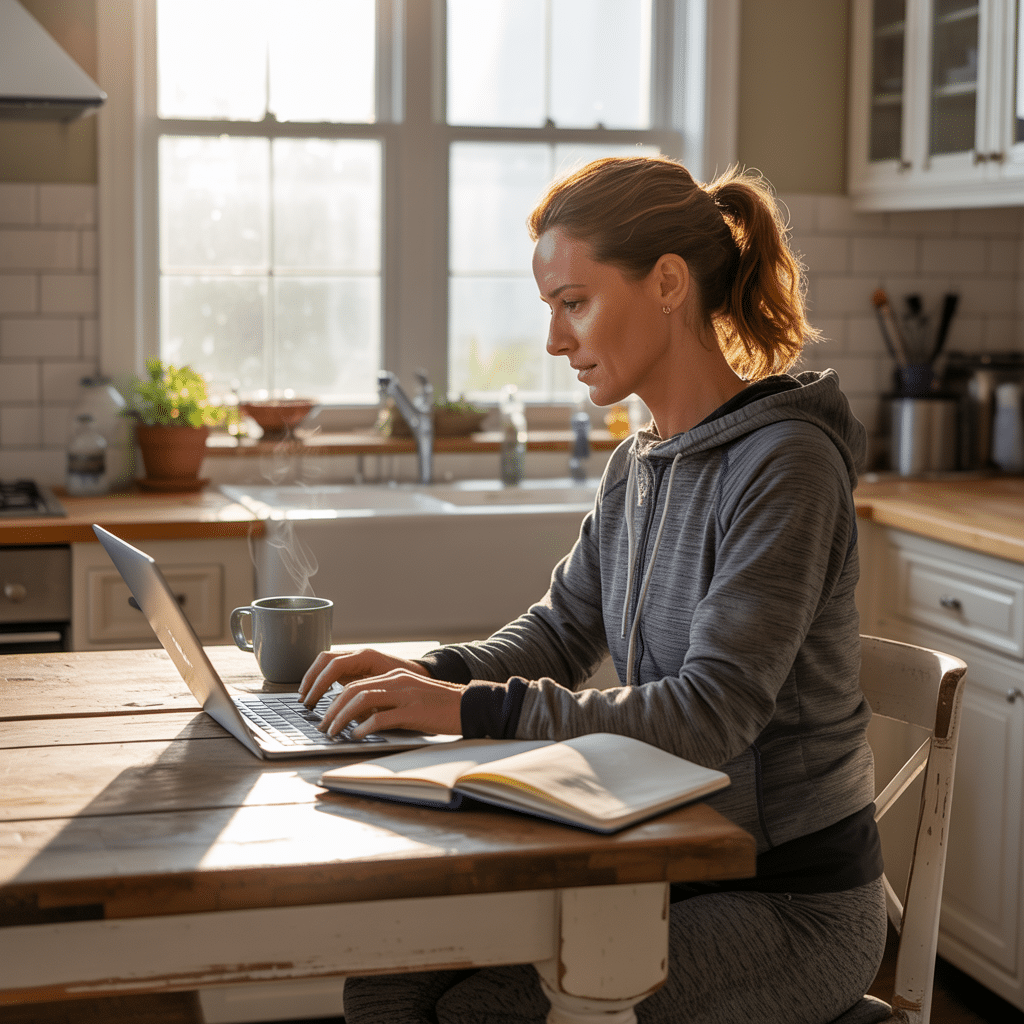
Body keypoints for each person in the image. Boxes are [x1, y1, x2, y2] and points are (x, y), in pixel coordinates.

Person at [299, 155, 887, 1024]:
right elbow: (559, 632)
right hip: (656, 860)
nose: (553, 339)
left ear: (668, 284)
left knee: (485, 1013)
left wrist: (464, 709)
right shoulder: (638, 465)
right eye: (550, 309)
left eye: (574, 303)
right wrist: (428, 674)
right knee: (387, 977)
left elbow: (708, 715)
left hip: (790, 902)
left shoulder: (785, 465)